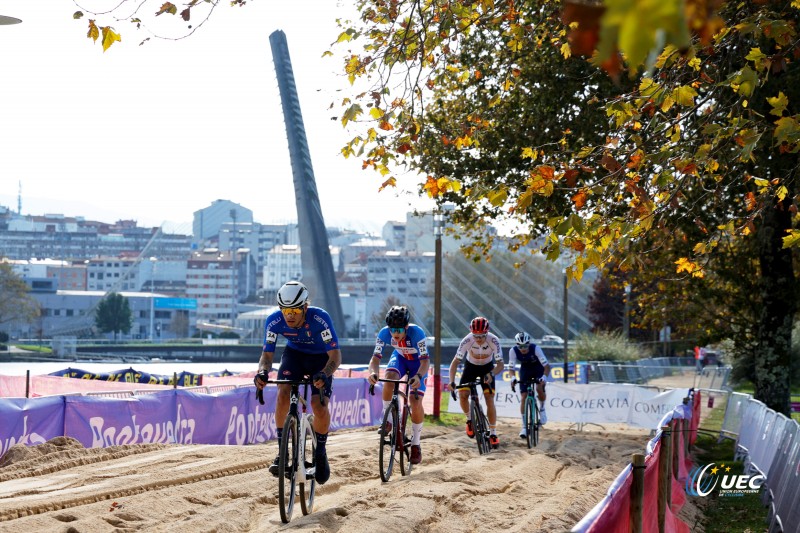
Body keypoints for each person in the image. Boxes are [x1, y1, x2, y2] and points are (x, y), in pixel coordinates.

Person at [253, 280, 341, 485]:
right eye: (285, 310)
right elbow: (266, 356)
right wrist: (263, 372)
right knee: (283, 391)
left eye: (294, 310)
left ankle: (320, 451)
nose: (289, 315)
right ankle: (281, 451)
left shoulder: (320, 318)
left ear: (304, 307)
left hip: (322, 358)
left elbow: (335, 355)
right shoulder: (274, 321)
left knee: (318, 405)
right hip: (295, 356)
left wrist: (325, 374)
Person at [368, 305, 430, 465]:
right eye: (392, 330)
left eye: (399, 330)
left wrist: (418, 376)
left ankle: (416, 443)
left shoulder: (417, 333)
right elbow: (375, 359)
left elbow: (425, 362)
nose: (395, 334)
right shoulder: (383, 333)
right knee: (389, 377)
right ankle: (387, 419)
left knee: (415, 401)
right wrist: (373, 373)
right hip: (401, 359)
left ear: (406, 327)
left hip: (417, 364)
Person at [448, 316, 504, 449]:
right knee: (462, 395)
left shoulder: (494, 341)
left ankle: (493, 433)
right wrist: (451, 381)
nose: (478, 340)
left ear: (487, 333)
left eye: (482, 336)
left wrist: (491, 374)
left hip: (487, 368)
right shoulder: (467, 340)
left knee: (489, 398)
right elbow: (455, 362)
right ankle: (469, 420)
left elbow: (500, 365)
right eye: (476, 336)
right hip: (471, 367)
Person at [508, 332, 551, 437]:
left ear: (529, 343)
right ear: (517, 345)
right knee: (523, 397)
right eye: (520, 346)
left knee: (539, 388)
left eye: (525, 346)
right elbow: (511, 368)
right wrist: (513, 378)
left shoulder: (536, 349)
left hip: (538, 368)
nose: (523, 349)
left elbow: (547, 367)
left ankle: (542, 408)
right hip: (525, 370)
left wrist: (544, 377)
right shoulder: (513, 351)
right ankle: (524, 427)